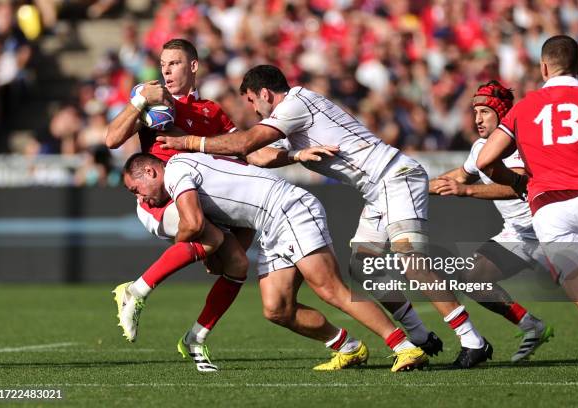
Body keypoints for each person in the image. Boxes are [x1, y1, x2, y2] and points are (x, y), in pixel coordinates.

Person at [157, 65, 492, 368]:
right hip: (378, 190)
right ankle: (418, 336)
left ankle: (471, 340)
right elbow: (258, 157)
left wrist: (187, 141)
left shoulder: (293, 106)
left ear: (264, 93)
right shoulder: (293, 113)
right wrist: (295, 154)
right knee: (364, 267)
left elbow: (245, 143)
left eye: (250, 101)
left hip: (393, 176)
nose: (253, 109)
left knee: (410, 259)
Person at [121, 151, 431, 372]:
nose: (141, 200)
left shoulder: (175, 171)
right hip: (270, 224)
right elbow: (236, 236)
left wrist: (184, 249)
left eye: (136, 190)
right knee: (277, 309)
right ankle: (347, 347)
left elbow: (192, 223)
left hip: (289, 208)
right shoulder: (183, 177)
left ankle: (404, 347)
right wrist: (217, 255)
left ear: (150, 172)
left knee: (330, 289)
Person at [105, 38, 248, 372]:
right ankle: (135, 291)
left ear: (193, 66)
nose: (166, 70)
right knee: (206, 235)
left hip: (200, 200)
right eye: (163, 63)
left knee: (238, 265)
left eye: (174, 63)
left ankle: (195, 338)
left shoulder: (212, 111)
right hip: (159, 201)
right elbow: (112, 139)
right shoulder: (156, 103)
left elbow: (242, 150)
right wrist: (138, 101)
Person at [476, 35, 578, 344]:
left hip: (548, 211)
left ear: (544, 68)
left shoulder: (524, 108)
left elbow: (485, 160)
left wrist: (518, 181)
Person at [430, 80, 553, 361]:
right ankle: (531, 325)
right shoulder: (481, 147)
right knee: (472, 278)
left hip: (552, 229)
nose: (478, 119)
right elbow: (458, 177)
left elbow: (517, 186)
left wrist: (468, 190)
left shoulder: (524, 140)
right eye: (475, 112)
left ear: (502, 113)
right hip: (520, 234)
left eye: (485, 111)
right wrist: (410, 186)